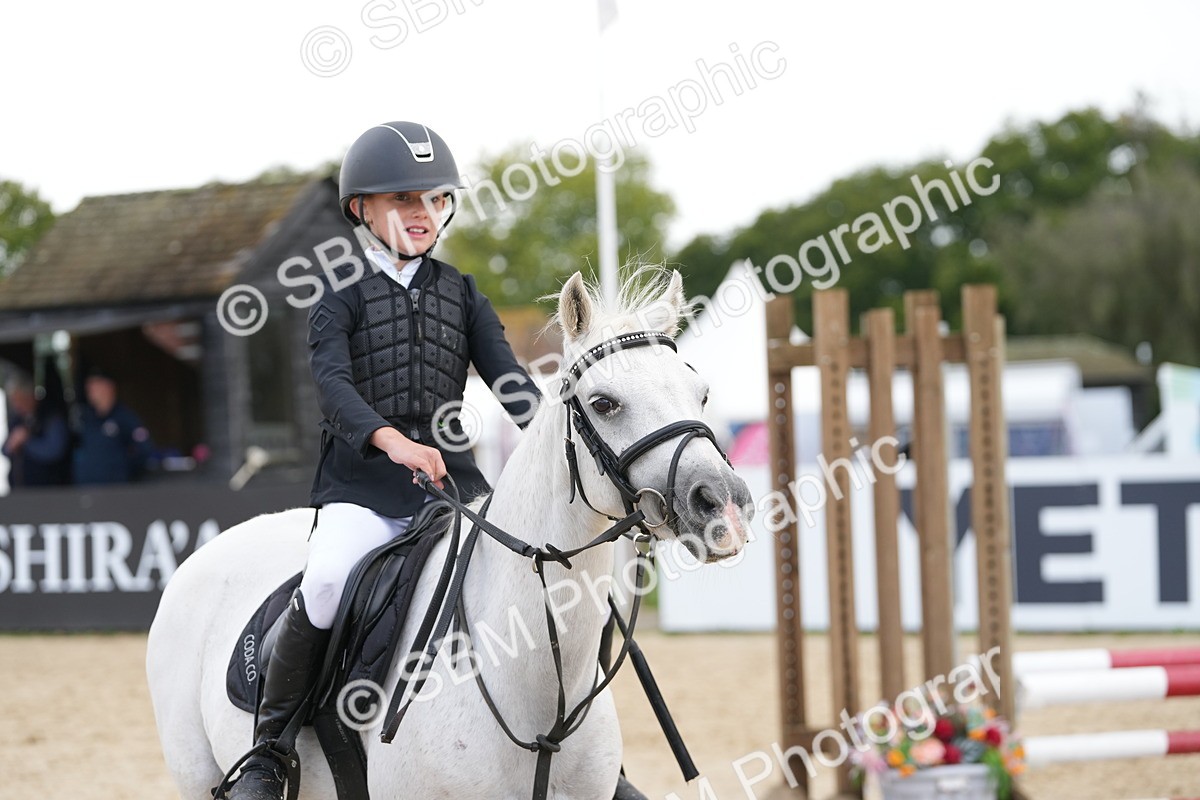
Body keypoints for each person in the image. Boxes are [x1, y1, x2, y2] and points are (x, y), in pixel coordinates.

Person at [225, 121, 544, 800]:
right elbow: (335, 393)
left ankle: (580, 752)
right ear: (361, 210)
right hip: (362, 487)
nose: (421, 214)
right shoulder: (335, 296)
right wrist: (394, 443)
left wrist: (556, 430)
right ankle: (268, 752)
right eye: (402, 200)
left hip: (454, 488)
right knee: (327, 583)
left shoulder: (462, 292)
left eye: (432, 200)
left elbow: (509, 379)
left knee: (530, 581)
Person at [71, 367, 154, 485]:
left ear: (109, 387)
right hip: (87, 489)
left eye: (95, 386)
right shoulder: (86, 418)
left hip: (115, 489)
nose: (90, 390)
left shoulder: (125, 418)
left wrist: (123, 470)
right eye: (89, 386)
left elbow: (144, 450)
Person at [2, 372, 71, 487]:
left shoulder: (50, 416)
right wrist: (12, 444)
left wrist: (27, 441)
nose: (17, 405)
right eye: (14, 401)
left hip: (48, 490)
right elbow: (5, 450)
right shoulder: (17, 420)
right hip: (20, 490)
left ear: (30, 396)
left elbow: (55, 451)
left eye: (19, 399)